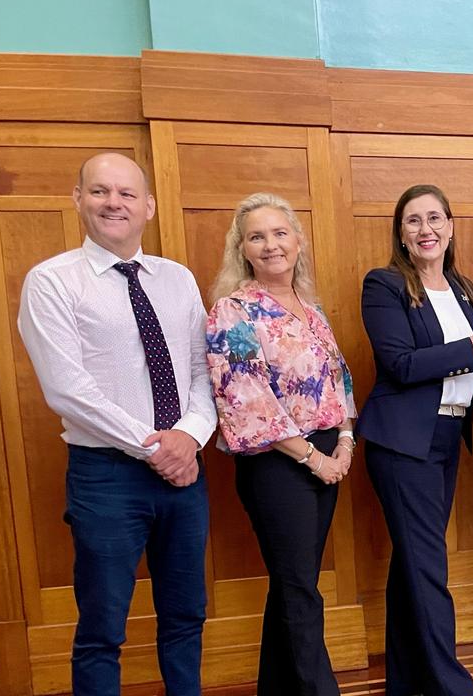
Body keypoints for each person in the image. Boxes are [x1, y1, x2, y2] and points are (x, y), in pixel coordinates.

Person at [17, 153, 216, 695]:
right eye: (100, 191)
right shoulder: (52, 282)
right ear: (78, 198)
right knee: (103, 630)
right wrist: (156, 446)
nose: (114, 203)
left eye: (127, 194)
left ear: (148, 206)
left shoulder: (178, 280)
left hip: (185, 473)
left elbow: (203, 369)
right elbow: (67, 389)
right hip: (107, 478)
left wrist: (190, 437)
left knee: (186, 616)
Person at [357, 185, 473, 696]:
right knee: (428, 568)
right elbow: (403, 365)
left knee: (413, 566)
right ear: (401, 235)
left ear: (450, 225)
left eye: (434, 218)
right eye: (413, 221)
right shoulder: (384, 285)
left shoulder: (462, 288)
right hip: (402, 446)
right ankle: (454, 689)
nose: (425, 229)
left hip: (446, 440)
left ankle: (406, 684)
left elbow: (462, 367)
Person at [206, 193, 355, 695]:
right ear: (242, 249)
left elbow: (338, 379)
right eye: (257, 236)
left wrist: (346, 445)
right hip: (279, 465)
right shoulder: (234, 311)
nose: (271, 245)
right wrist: (315, 458)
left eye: (279, 233)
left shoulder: (309, 310)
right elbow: (245, 397)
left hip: (328, 456)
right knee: (300, 590)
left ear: (297, 240)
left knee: (294, 586)